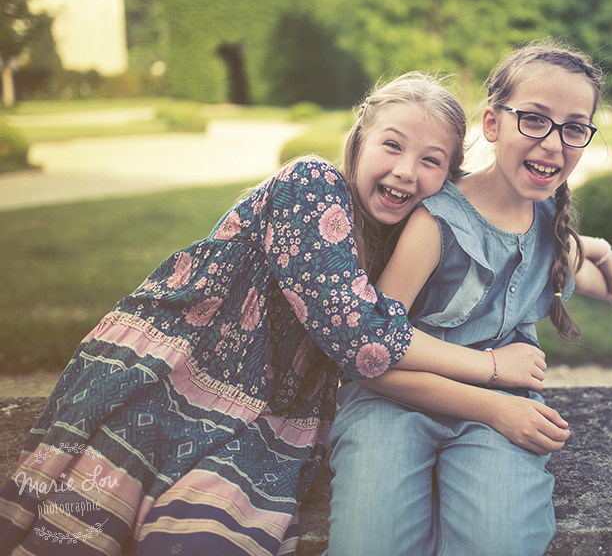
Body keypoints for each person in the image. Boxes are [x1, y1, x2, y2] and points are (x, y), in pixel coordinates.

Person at [0, 73, 550, 556]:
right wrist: (493, 369)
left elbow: (506, 230)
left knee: (201, 535)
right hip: (176, 369)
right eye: (392, 145)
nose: (407, 171)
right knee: (89, 517)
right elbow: (361, 334)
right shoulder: (312, 184)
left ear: (447, 179)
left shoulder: (405, 233)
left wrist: (593, 250)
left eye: (431, 161)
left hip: (271, 405)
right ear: (358, 142)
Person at [325, 39, 612, 556]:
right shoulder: (434, 223)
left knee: (496, 540)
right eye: (534, 119)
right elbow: (372, 357)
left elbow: (576, 271)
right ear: (492, 124)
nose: (553, 143)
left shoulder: (548, 223)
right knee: (373, 541)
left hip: (503, 414)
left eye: (573, 127)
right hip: (396, 401)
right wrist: (495, 407)